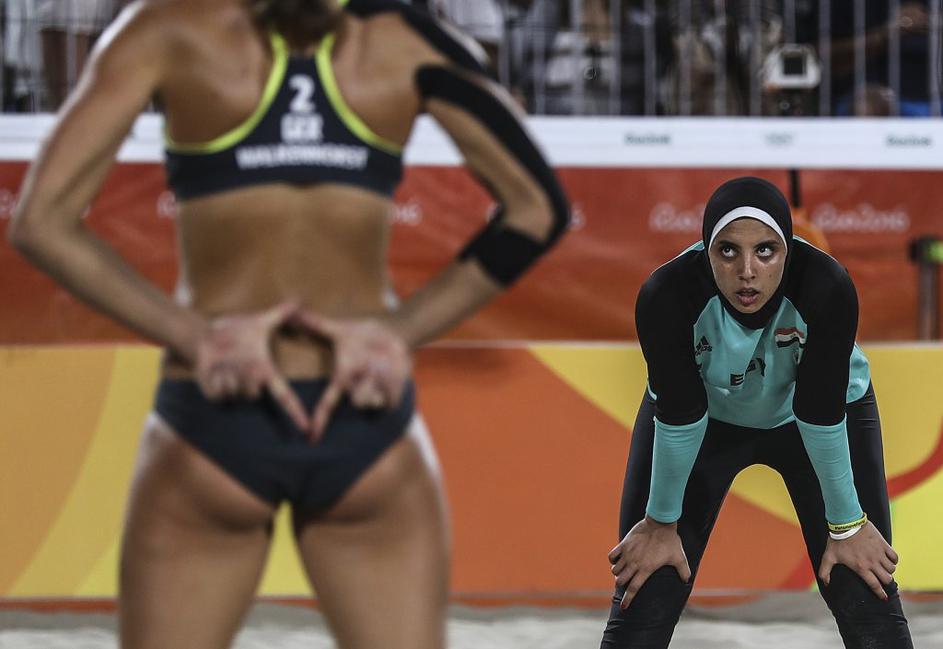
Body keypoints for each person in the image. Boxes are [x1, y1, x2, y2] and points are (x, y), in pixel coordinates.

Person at [7, 0, 570, 647]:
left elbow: (41, 220)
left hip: (217, 411)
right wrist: (397, 332)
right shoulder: (405, 41)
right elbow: (538, 208)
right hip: (360, 413)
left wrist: (195, 336)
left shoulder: (168, 27)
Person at [600, 177, 912, 649]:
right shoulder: (666, 294)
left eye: (766, 251)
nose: (747, 272)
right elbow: (682, 415)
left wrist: (848, 526)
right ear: (706, 251)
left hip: (815, 420)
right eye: (728, 251)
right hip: (704, 420)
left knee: (864, 583)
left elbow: (819, 412)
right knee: (646, 581)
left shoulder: (827, 285)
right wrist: (661, 523)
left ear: (788, 250)